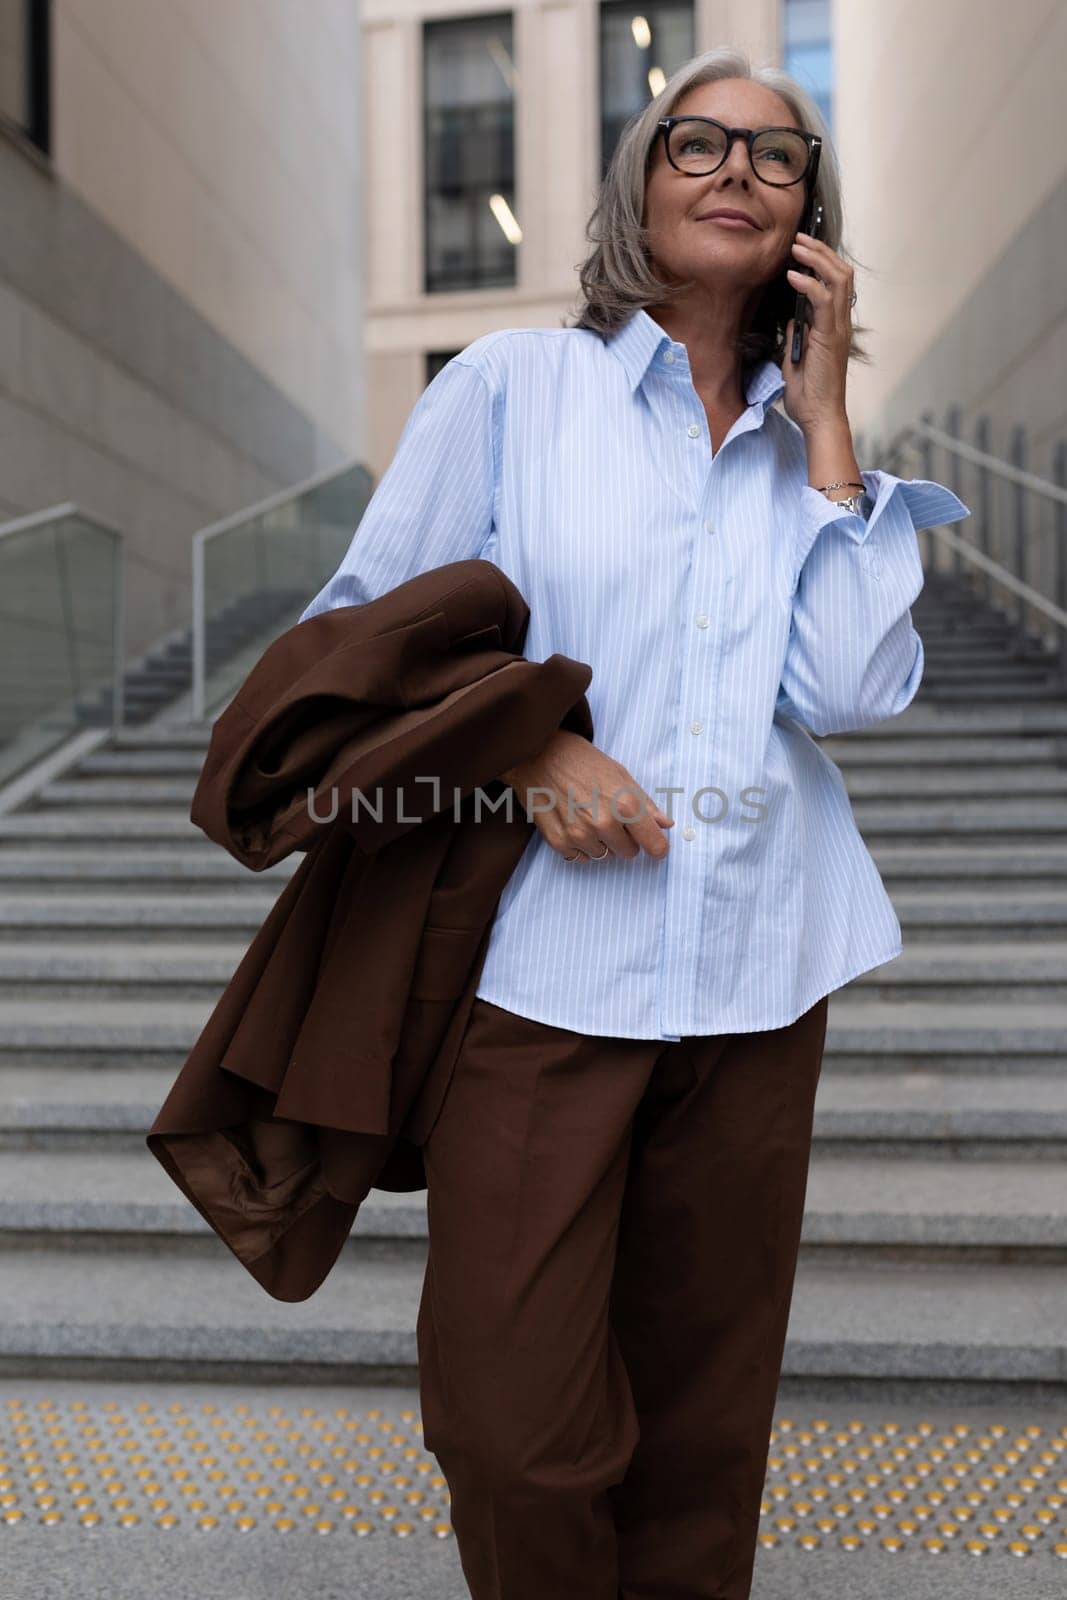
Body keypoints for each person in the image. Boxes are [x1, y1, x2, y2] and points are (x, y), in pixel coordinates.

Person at [299, 45, 970, 1600]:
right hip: (541, 988)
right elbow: (355, 634)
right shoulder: (516, 389)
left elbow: (858, 689)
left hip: (757, 978)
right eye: (698, 141)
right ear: (639, 179)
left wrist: (826, 426)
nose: (737, 167)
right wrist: (528, 748)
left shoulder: (810, 453)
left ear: (813, 216)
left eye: (776, 154)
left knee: (701, 1440)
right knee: (509, 1431)